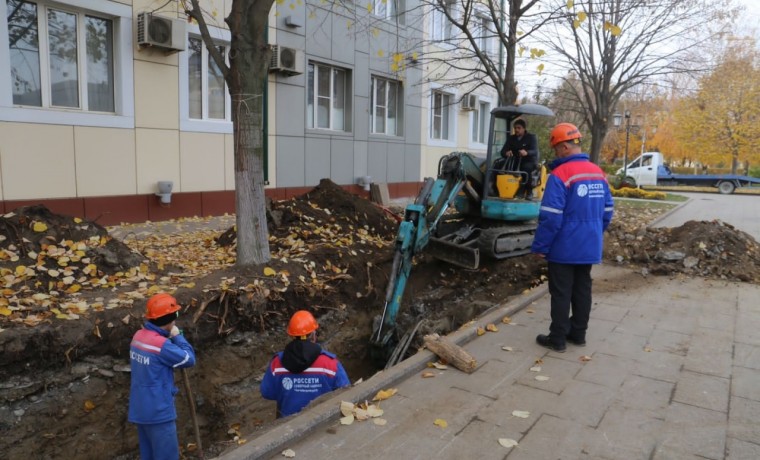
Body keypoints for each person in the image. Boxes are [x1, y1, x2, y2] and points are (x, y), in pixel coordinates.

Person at [531, 123, 614, 353]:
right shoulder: (598, 173)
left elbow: (551, 217)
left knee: (561, 292)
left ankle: (557, 338)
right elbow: (608, 211)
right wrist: (594, 233)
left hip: (563, 248)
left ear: (565, 147)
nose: (556, 153)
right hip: (589, 246)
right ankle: (578, 334)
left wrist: (540, 246)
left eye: (557, 148)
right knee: (582, 289)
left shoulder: (560, 175)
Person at [128, 293, 196, 460]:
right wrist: (177, 336)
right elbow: (188, 358)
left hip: (141, 409)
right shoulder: (161, 345)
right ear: (170, 319)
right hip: (159, 412)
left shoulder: (137, 337)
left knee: (149, 456)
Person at [260, 310, 350, 417]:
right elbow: (346, 392)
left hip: (286, 424)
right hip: (322, 422)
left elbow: (267, 393)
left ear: (292, 336)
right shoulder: (330, 364)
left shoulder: (277, 364)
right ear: (313, 335)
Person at [498, 119, 539, 199]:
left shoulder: (531, 137)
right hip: (515, 161)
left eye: (519, 128)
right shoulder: (511, 138)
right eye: (515, 128)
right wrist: (506, 153)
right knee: (498, 165)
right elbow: (503, 151)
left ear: (524, 129)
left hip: (528, 161)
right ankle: (495, 188)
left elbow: (535, 151)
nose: (516, 130)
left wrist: (527, 152)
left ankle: (528, 191)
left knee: (526, 169)